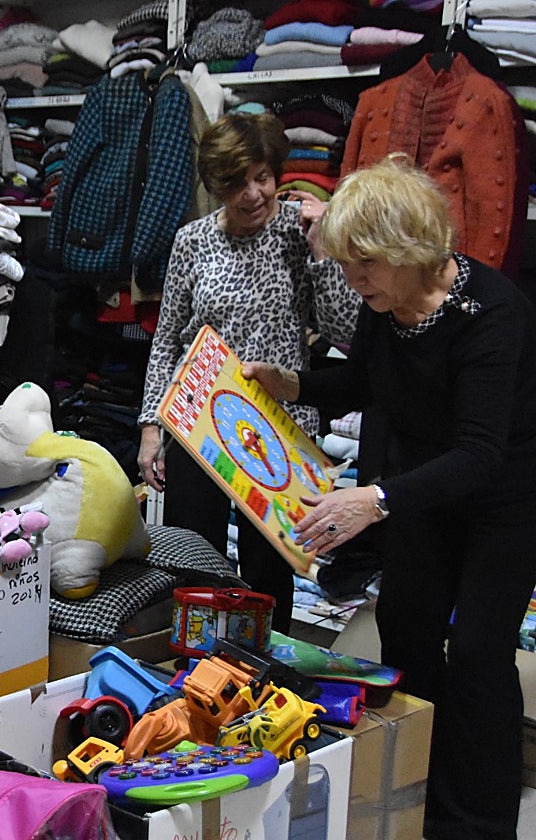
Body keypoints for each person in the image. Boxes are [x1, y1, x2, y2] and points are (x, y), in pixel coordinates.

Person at [243, 154, 536, 840]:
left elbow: (482, 452)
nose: (353, 279)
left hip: (506, 496)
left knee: (478, 650)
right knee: (405, 626)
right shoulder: (387, 302)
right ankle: (414, 791)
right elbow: (370, 381)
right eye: (346, 263)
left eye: (364, 263)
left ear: (409, 247)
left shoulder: (493, 316)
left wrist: (372, 500)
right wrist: (294, 384)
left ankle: (478, 821)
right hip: (425, 490)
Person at [137, 111, 360, 634]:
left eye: (262, 177)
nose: (254, 193)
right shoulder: (192, 241)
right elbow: (168, 337)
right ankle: (195, 669)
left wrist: (324, 251)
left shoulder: (299, 228)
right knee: (194, 557)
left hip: (280, 428)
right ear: (215, 186)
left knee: (269, 573)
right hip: (199, 422)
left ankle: (266, 675)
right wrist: (151, 428)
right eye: (237, 183)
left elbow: (344, 327)